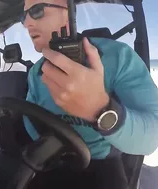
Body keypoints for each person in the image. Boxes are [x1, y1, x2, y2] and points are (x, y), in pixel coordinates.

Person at [21, 0, 158, 189]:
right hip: (55, 160)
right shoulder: (36, 72)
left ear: (67, 13)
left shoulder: (117, 57)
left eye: (36, 11)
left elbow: (152, 137)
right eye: (24, 15)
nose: (27, 23)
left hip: (103, 165)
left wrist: (99, 109)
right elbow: (30, 117)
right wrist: (48, 145)